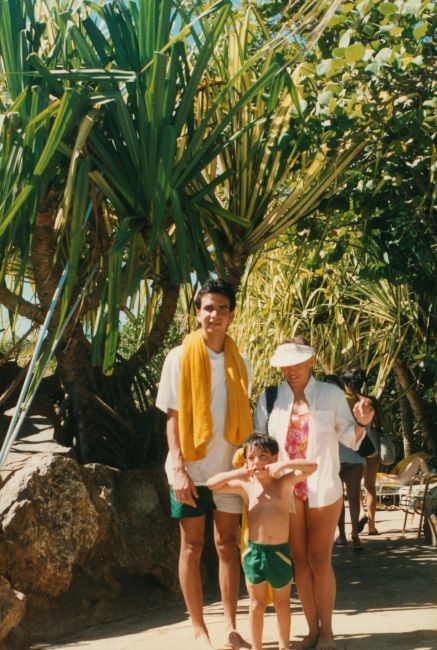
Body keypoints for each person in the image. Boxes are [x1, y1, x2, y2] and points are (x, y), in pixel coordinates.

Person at [253, 337, 375, 650]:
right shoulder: (269, 399)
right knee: (300, 562)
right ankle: (310, 631)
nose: (291, 370)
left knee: (320, 560)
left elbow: (351, 438)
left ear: (310, 361)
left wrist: (362, 423)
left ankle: (327, 634)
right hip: (287, 493)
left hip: (324, 489)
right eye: (285, 364)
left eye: (297, 362)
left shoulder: (331, 394)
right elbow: (261, 449)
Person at [156, 278, 252, 650]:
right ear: (198, 313)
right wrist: (177, 467)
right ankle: (198, 628)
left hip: (228, 466)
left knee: (228, 545)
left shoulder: (239, 361)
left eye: (222, 308)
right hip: (191, 468)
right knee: (192, 547)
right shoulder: (178, 357)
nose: (214, 314)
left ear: (232, 315)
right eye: (208, 307)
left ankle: (230, 627)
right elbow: (173, 417)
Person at [206, 433, 317, 650]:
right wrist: (240, 471)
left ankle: (284, 646)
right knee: (256, 604)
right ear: (246, 461)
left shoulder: (284, 482)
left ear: (274, 458)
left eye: (263, 456)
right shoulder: (246, 485)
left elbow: (311, 467)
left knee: (282, 603)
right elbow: (212, 485)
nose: (258, 462)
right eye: (252, 457)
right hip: (253, 553)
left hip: (279, 554)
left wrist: (284, 464)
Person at [340, 367, 383, 536]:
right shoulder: (371, 401)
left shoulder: (344, 400)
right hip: (372, 446)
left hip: (355, 446)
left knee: (353, 487)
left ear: (345, 383)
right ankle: (372, 526)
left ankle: (361, 516)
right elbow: (383, 422)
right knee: (370, 486)